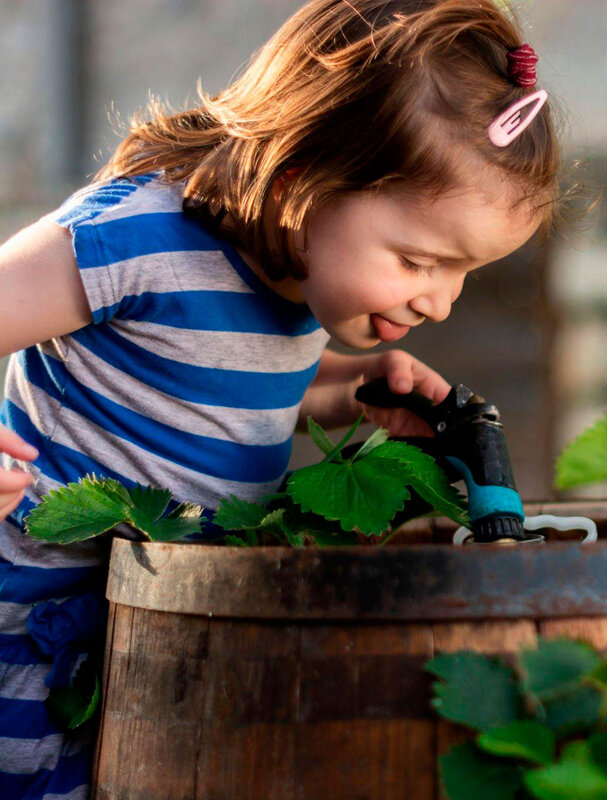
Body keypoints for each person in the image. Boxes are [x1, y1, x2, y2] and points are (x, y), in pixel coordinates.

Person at [0, 0, 567, 796]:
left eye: (462, 273)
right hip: (32, 615)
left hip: (148, 619)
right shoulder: (132, 239)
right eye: (417, 260)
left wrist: (342, 390)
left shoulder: (299, 281)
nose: (441, 301)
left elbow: (218, 384)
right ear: (305, 177)